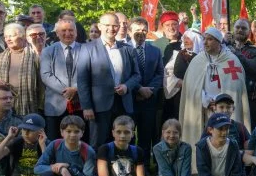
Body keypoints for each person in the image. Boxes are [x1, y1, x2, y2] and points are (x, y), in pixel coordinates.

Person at [179, 26, 251, 165]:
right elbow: (191, 87)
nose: (205, 42)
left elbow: (235, 87)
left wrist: (219, 103)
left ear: (219, 42)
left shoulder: (231, 60)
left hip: (224, 108)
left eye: (210, 39)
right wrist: (206, 100)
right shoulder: (198, 60)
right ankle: (198, 166)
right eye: (204, 39)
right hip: (204, 108)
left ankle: (227, 165)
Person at [78, 13, 141, 149]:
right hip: (99, 106)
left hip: (123, 104)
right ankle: (97, 170)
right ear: (100, 26)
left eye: (115, 25)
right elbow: (82, 80)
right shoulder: (87, 48)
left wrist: (127, 86)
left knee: (124, 142)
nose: (111, 29)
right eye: (107, 25)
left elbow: (136, 75)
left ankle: (123, 169)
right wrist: (87, 106)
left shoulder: (127, 49)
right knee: (98, 143)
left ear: (119, 27)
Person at [39, 18, 85, 141]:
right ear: (57, 33)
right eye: (63, 30)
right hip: (55, 106)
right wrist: (66, 91)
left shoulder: (86, 50)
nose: (67, 33)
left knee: (80, 141)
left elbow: (89, 73)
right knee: (55, 142)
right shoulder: (47, 51)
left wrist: (75, 88)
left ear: (76, 32)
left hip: (80, 104)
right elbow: (46, 75)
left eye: (71, 30)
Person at [0, 23, 43, 117]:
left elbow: (42, 84)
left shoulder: (35, 56)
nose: (8, 39)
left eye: (12, 36)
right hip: (5, 106)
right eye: (6, 37)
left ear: (22, 36)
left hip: (29, 105)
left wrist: (41, 106)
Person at [129, 17, 164, 160]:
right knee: (129, 134)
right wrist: (138, 89)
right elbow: (124, 73)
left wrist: (149, 90)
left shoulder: (155, 51)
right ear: (130, 31)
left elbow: (159, 73)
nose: (141, 33)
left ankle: (144, 165)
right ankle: (130, 164)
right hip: (130, 99)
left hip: (149, 100)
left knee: (146, 135)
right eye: (137, 30)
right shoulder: (124, 49)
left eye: (144, 30)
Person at [162, 28, 202, 123]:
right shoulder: (178, 54)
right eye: (185, 38)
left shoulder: (204, 56)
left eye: (189, 38)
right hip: (180, 94)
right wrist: (179, 82)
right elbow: (167, 73)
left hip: (199, 94)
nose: (186, 40)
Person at [231, 18, 256, 127]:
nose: (240, 30)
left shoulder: (255, 50)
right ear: (233, 29)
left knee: (250, 129)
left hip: (249, 98)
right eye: (237, 27)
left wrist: (236, 53)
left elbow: (253, 68)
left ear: (249, 31)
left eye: (244, 28)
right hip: (230, 96)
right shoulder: (225, 48)